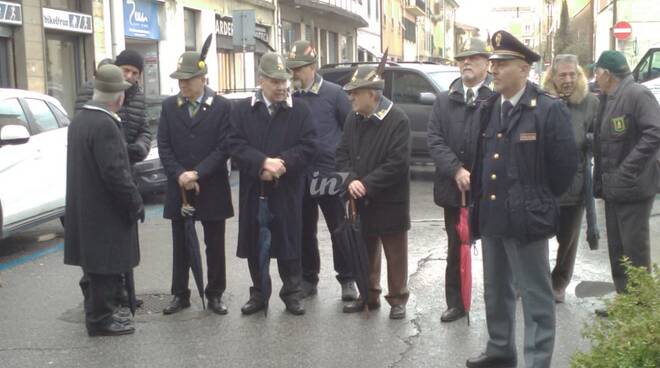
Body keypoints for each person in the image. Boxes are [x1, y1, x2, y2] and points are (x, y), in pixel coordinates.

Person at [466, 31, 577, 368]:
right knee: (496, 290)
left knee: (535, 297)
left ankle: (536, 360)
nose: (494, 69)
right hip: (494, 214)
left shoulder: (546, 109)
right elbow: (480, 159)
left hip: (527, 217)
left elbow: (564, 168)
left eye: (502, 64)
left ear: (525, 69)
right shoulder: (488, 107)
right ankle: (500, 350)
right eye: (494, 63)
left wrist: (536, 199)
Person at [228, 52, 318, 316]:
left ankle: (292, 293)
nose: (281, 87)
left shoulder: (300, 109)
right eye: (275, 82)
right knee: (256, 243)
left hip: (287, 188)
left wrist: (282, 164)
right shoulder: (243, 109)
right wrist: (262, 164)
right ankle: (259, 294)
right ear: (261, 80)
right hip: (255, 188)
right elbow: (234, 145)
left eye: (284, 81)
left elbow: (310, 145)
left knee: (290, 242)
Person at [64, 64, 144, 337]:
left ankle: (97, 314)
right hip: (104, 212)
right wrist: (134, 202)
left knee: (93, 267)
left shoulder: (80, 120)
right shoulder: (105, 125)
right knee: (105, 267)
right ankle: (101, 320)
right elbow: (116, 173)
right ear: (117, 96)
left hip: (85, 209)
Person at [158, 50, 234, 315]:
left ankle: (215, 293)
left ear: (203, 78)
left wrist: (197, 173)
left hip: (211, 185)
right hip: (179, 186)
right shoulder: (169, 106)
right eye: (180, 79)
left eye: (188, 79)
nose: (182, 84)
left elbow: (224, 147)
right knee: (180, 243)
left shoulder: (222, 106)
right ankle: (180, 294)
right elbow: (164, 145)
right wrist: (180, 174)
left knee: (214, 244)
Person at [336, 63, 411, 320]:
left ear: (374, 95)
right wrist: (351, 181)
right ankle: (368, 295)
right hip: (360, 199)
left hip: (390, 200)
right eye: (351, 92)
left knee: (395, 252)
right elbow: (342, 155)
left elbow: (397, 163)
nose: (351, 97)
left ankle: (398, 298)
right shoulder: (352, 118)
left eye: (356, 92)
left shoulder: (397, 119)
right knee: (365, 250)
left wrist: (366, 184)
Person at [427, 37, 494, 323]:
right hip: (453, 190)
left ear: (487, 65)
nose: (466, 62)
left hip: (487, 190)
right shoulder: (444, 100)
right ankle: (456, 302)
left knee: (495, 248)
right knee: (456, 247)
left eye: (474, 58)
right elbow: (435, 140)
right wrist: (456, 170)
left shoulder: (494, 100)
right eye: (462, 58)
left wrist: (477, 175)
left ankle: (498, 303)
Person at [286, 40, 357, 301]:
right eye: (291, 69)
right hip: (300, 175)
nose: (293, 74)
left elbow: (351, 131)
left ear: (312, 67)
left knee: (340, 228)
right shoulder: (290, 98)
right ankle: (308, 279)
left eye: (298, 69)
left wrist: (348, 170)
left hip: (330, 174)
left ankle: (348, 279)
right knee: (304, 230)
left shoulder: (335, 93)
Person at [592, 50, 660, 308]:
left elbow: (655, 133)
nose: (595, 77)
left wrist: (628, 168)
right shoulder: (609, 97)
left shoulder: (637, 94)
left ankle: (641, 308)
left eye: (597, 72)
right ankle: (625, 303)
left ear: (608, 74)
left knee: (634, 250)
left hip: (633, 186)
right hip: (614, 187)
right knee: (618, 249)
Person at [542, 54, 600, 303]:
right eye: (562, 74)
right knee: (537, 235)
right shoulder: (541, 100)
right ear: (552, 77)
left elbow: (599, 139)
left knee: (568, 238)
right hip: (543, 184)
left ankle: (559, 282)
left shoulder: (591, 103)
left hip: (575, 185)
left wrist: (590, 142)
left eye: (572, 74)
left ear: (579, 75)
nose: (567, 79)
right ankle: (537, 279)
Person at [75, 50, 152, 165]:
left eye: (135, 73)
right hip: (96, 166)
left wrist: (140, 147)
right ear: (116, 68)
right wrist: (119, 148)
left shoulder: (139, 97)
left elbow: (144, 131)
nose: (129, 76)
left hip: (126, 167)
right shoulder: (92, 88)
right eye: (125, 70)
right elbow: (82, 129)